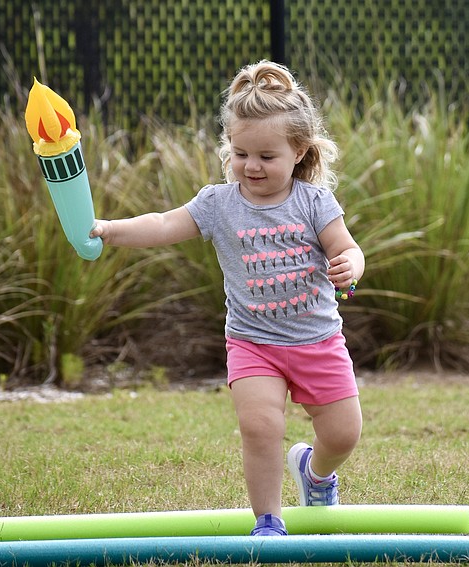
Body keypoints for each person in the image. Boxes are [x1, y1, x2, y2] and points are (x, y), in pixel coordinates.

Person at [90, 60, 365, 537]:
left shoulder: (314, 202)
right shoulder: (218, 204)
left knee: (344, 434)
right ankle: (269, 521)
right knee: (260, 428)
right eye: (240, 153)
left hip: (318, 340)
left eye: (266, 155)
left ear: (299, 152)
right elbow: (161, 224)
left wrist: (351, 269)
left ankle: (315, 473)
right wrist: (111, 231)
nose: (251, 166)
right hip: (253, 343)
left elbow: (347, 249)